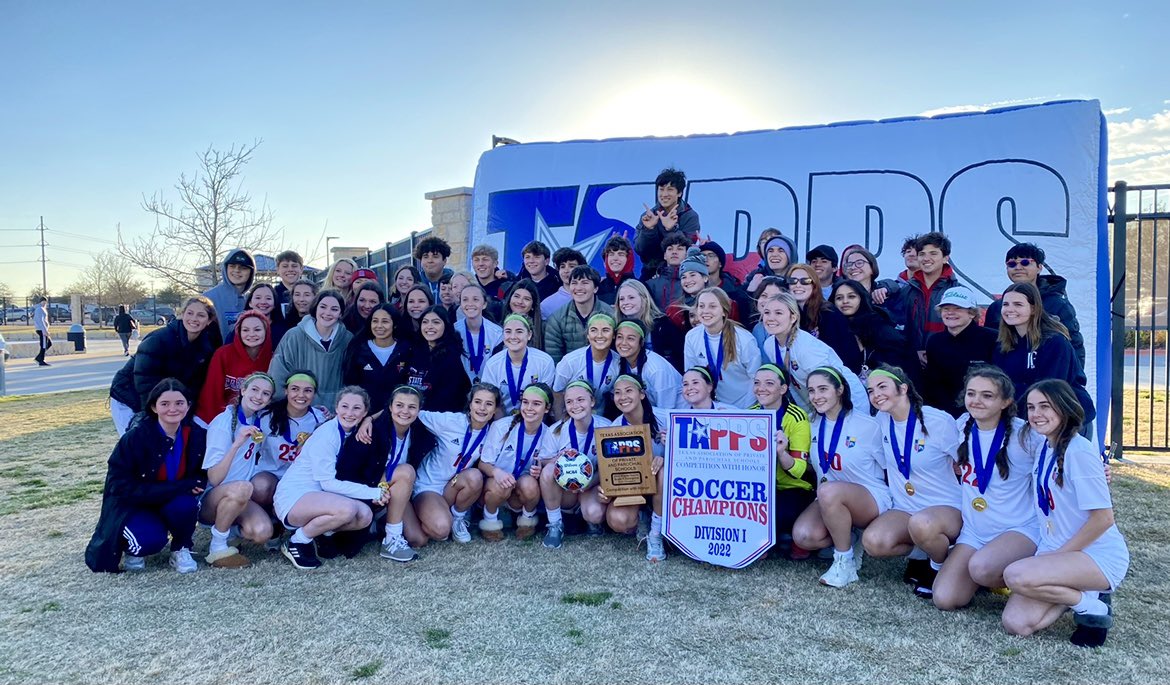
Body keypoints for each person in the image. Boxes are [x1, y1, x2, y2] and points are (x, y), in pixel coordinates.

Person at [1001, 380, 1129, 648]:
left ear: (1064, 407)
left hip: (1095, 554)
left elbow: (1103, 519)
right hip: (1058, 550)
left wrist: (1058, 556)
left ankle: (1092, 599)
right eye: (1032, 407)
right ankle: (1085, 598)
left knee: (1014, 575)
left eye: (1045, 406)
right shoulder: (1046, 447)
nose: (1036, 414)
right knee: (1016, 623)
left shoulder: (1079, 451)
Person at [931, 367, 1042, 612]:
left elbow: (1060, 453)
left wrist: (1099, 470)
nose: (976, 401)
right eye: (971, 393)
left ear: (1006, 402)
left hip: (1018, 528)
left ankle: (1031, 576)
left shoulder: (1025, 434)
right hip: (975, 532)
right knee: (945, 599)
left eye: (987, 395)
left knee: (981, 568)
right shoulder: (961, 425)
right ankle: (988, 570)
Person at [862, 365, 963, 599]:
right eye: (870, 391)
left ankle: (937, 567)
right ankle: (924, 554)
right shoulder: (881, 420)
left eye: (882, 387)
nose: (876, 394)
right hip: (905, 507)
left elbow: (966, 463)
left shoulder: (937, 421)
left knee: (922, 524)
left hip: (946, 507)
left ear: (903, 388)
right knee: (874, 542)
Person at [86, 378, 207, 574]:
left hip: (171, 501)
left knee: (187, 505)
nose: (173, 409)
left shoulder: (196, 434)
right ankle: (134, 547)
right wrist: (180, 486)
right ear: (153, 407)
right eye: (165, 404)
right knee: (148, 542)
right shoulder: (136, 437)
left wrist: (198, 482)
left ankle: (181, 548)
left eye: (179, 403)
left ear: (188, 406)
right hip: (135, 504)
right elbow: (120, 485)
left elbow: (202, 472)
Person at [791, 366, 888, 586]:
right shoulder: (811, 424)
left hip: (870, 497)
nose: (816, 396)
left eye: (823, 389)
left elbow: (890, 468)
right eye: (812, 391)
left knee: (828, 491)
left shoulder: (868, 426)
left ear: (840, 390)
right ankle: (851, 539)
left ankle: (844, 563)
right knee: (804, 536)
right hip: (829, 497)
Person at [272, 386, 386, 569]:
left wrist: (369, 420)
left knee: (364, 516)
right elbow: (328, 483)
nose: (349, 413)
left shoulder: (352, 431)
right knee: (347, 509)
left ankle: (320, 533)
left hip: (320, 497)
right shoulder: (327, 434)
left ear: (365, 412)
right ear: (337, 408)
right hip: (295, 497)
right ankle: (297, 541)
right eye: (345, 406)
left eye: (356, 408)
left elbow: (386, 410)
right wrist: (374, 492)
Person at [340, 385, 434, 561]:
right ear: (390, 407)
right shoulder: (369, 432)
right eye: (399, 405)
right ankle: (391, 539)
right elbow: (346, 473)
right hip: (367, 491)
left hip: (395, 489)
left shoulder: (421, 434)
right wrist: (372, 491)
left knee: (417, 539)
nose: (405, 411)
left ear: (419, 410)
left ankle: (382, 524)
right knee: (406, 471)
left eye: (412, 407)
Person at [108, 296, 222, 435]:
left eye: (201, 315)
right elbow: (144, 381)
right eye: (190, 313)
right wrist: (153, 416)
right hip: (129, 397)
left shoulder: (205, 347)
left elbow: (195, 384)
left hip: (164, 401)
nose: (194, 319)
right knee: (139, 445)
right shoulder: (159, 339)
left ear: (209, 320)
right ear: (182, 314)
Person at [199, 372, 277, 569]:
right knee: (243, 487)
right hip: (213, 499)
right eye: (254, 390)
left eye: (266, 394)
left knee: (263, 532)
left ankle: (230, 532)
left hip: (242, 497)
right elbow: (214, 478)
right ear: (243, 390)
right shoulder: (223, 423)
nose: (259, 397)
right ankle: (217, 546)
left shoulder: (259, 420)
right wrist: (236, 445)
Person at [992, 282, 1095, 425]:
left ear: (1033, 308)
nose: (1010, 309)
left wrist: (1008, 394)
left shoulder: (1054, 342)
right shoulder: (1003, 345)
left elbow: (1050, 388)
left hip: (1066, 421)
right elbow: (998, 384)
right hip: (1022, 419)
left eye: (1018, 304)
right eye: (1006, 304)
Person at [411, 384, 500, 544]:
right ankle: (429, 514)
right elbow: (410, 412)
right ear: (470, 404)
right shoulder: (450, 421)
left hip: (453, 486)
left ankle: (458, 518)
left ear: (495, 410)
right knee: (441, 530)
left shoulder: (493, 432)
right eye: (478, 402)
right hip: (429, 486)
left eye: (489, 404)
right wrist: (369, 420)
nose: (482, 408)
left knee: (474, 476)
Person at [758, 292, 867, 413]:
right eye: (767, 312)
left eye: (778, 313)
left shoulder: (805, 347)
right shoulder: (769, 345)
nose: (771, 318)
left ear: (793, 317)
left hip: (848, 399)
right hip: (816, 402)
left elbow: (829, 384)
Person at [983, 243, 1085, 368]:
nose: (1018, 267)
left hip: (1049, 379)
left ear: (1039, 267)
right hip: (1007, 380)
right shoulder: (996, 308)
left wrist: (1076, 380)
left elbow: (1075, 345)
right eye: (1011, 264)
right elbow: (989, 347)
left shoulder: (1058, 304)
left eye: (1025, 263)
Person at [749, 364, 814, 558]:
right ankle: (771, 537)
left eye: (769, 383)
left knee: (778, 514)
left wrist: (782, 453)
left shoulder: (797, 417)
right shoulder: (748, 414)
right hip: (759, 489)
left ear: (783, 389)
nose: (761, 388)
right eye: (757, 383)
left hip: (791, 487)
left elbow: (800, 470)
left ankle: (788, 535)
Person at [479, 383, 556, 541]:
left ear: (547, 408)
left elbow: (544, 463)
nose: (529, 408)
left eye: (536, 404)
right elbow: (483, 463)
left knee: (530, 485)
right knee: (501, 485)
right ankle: (490, 520)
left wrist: (539, 470)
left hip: (520, 487)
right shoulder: (501, 427)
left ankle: (527, 520)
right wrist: (497, 472)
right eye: (525, 402)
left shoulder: (549, 433)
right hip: (496, 485)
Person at [540, 380, 613, 548]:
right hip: (567, 491)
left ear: (592, 401)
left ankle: (589, 519)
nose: (575, 405)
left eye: (581, 400)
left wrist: (591, 482)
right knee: (549, 470)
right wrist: (557, 459)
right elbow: (543, 460)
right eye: (569, 401)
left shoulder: (607, 427)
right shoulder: (557, 430)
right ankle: (555, 524)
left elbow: (612, 466)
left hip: (592, 486)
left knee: (594, 514)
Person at [610, 374, 670, 561]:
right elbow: (613, 469)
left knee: (660, 470)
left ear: (642, 394)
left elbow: (687, 455)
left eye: (629, 391)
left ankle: (655, 534)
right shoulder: (614, 427)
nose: (623, 397)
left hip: (665, 485)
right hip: (635, 485)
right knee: (619, 520)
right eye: (618, 393)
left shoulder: (665, 417)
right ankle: (643, 514)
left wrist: (666, 458)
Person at [268, 290, 354, 408]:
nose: (327, 313)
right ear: (315, 309)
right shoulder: (294, 335)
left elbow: (353, 377)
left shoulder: (347, 339)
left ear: (340, 314)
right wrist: (281, 406)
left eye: (334, 309)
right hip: (298, 408)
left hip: (336, 411)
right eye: (323, 307)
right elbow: (278, 371)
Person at [924, 286, 997, 416]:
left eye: (958, 308)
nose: (950, 313)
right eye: (946, 309)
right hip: (945, 415)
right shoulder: (935, 341)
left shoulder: (992, 339)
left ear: (972, 313)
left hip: (984, 412)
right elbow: (933, 384)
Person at [684, 287, 762, 408]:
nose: (705, 311)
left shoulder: (744, 339)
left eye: (712, 306)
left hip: (742, 406)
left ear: (724, 311)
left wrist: (745, 411)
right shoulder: (691, 337)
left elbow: (756, 378)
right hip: (711, 407)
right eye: (701, 306)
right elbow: (692, 375)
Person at [830, 280, 919, 385]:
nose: (845, 301)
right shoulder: (832, 330)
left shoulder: (879, 326)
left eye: (851, 296)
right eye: (839, 298)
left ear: (861, 299)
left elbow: (902, 364)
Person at [195, 310, 274, 426]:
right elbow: (212, 393)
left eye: (257, 330)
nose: (251, 334)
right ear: (239, 332)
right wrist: (222, 423)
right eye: (245, 330)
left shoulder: (273, 359)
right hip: (221, 418)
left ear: (266, 332)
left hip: (257, 421)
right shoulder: (223, 354)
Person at [786, 263, 861, 373]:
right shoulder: (788, 316)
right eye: (793, 281)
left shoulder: (828, 313)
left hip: (834, 377)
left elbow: (843, 356)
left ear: (814, 285)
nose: (798, 285)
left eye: (805, 281)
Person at [259, 371, 328, 484]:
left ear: (314, 394)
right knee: (261, 486)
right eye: (295, 389)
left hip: (301, 477)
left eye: (308, 390)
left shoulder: (321, 419)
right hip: (270, 474)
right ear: (286, 391)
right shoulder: (265, 416)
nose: (301, 395)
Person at [481, 314, 556, 416]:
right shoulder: (493, 364)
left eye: (519, 331)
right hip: (500, 419)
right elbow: (492, 401)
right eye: (508, 331)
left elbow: (543, 400)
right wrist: (503, 427)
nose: (513, 337)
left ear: (529, 335)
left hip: (534, 418)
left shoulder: (544, 361)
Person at [633, 167, 700, 279]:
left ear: (679, 193)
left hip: (681, 273)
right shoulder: (649, 216)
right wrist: (648, 230)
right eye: (661, 189)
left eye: (670, 189)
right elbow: (640, 249)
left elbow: (688, 249)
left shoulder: (690, 216)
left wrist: (671, 229)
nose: (664, 194)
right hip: (651, 272)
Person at [342, 303, 410, 411]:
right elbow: (350, 385)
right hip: (364, 415)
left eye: (385, 321)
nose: (379, 326)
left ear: (395, 324)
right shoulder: (358, 349)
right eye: (375, 321)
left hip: (398, 415)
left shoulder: (406, 350)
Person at [402, 305, 470, 412]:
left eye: (436, 322)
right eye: (425, 322)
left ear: (446, 326)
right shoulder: (412, 352)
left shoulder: (454, 356)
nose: (429, 326)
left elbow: (450, 397)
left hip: (440, 419)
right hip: (411, 414)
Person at [905, 232, 960, 363]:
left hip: (946, 362)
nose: (926, 258)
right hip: (911, 362)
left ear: (946, 258)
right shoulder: (907, 290)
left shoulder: (958, 292)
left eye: (933, 253)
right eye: (922, 254)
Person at [545, 265, 615, 365]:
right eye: (574, 283)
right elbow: (554, 358)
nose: (578, 288)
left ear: (595, 288)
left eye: (585, 283)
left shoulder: (610, 315)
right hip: (571, 374)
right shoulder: (557, 318)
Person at [553, 312, 620, 415]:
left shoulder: (618, 362)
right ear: (588, 335)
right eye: (594, 330)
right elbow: (557, 393)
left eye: (605, 330)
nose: (599, 335)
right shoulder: (570, 361)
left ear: (614, 335)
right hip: (573, 416)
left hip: (602, 419)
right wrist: (560, 423)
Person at [612, 320, 682, 410]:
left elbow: (666, 410)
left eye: (630, 338)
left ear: (641, 342)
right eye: (620, 337)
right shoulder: (619, 362)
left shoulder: (656, 369)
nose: (624, 343)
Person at [616, 279, 683, 372]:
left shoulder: (663, 325)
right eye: (622, 299)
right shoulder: (617, 328)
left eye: (631, 297)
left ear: (644, 299)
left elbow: (679, 356)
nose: (626, 302)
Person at [839, 246, 908, 328]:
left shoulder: (887, 295)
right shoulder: (840, 297)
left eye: (859, 263)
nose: (853, 267)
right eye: (849, 264)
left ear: (872, 267)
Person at [202, 248, 256, 338]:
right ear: (225, 268)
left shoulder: (254, 300)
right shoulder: (207, 299)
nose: (237, 270)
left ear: (251, 272)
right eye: (232, 266)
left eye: (243, 268)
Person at [455, 284, 503, 382]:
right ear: (460, 304)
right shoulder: (453, 331)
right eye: (465, 300)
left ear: (484, 304)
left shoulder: (497, 333)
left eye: (475, 299)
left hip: (489, 385)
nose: (470, 304)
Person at [699, 240, 752, 324]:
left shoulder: (735, 292)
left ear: (720, 263)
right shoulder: (693, 289)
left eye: (711, 255)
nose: (706, 259)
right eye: (702, 256)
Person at [230, 283, 287, 347]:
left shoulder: (283, 331)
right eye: (258, 298)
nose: (263, 302)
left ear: (274, 304)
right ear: (250, 303)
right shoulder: (240, 328)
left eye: (268, 298)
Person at [646, 232, 691, 311]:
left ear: (686, 255)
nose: (674, 252)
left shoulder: (693, 284)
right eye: (670, 249)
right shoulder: (650, 285)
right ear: (664, 255)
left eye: (679, 249)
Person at [497, 279, 545, 351]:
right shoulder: (497, 327)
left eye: (526, 299)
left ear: (533, 305)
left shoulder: (543, 328)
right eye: (516, 296)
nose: (520, 301)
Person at [745, 232, 795, 297]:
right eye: (770, 251)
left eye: (781, 251)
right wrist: (750, 291)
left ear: (790, 255)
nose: (774, 255)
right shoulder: (754, 278)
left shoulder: (798, 279)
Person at [541, 248, 585, 319]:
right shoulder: (546, 305)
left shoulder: (592, 297)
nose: (566, 271)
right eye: (562, 267)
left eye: (571, 266)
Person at [470, 244, 512, 310]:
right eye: (476, 260)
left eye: (485, 259)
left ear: (495, 263)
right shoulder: (469, 286)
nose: (480, 263)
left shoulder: (506, 287)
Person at [598, 234, 637, 305]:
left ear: (629, 259)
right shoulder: (598, 287)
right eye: (611, 254)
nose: (615, 258)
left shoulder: (639, 286)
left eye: (621, 254)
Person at [415, 236, 453, 303]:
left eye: (435, 256)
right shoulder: (414, 282)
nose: (430, 261)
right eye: (426, 257)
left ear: (444, 261)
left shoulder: (454, 282)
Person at [273, 249, 305, 317]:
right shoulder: (272, 295)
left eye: (294, 266)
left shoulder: (312, 294)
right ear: (278, 270)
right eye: (285, 266)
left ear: (301, 269)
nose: (290, 269)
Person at [32, 297, 51, 366]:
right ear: (40, 302)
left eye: (45, 302)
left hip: (43, 329)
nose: (44, 303)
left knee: (48, 344)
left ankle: (38, 358)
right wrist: (44, 331)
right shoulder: (39, 309)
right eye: (43, 302)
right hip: (41, 329)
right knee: (44, 345)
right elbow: (41, 321)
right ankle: (41, 360)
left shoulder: (43, 309)